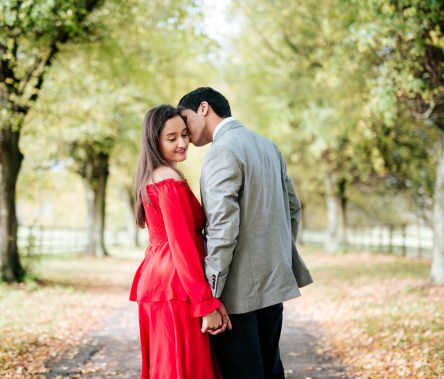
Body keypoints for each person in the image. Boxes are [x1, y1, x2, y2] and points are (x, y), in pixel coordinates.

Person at [177, 87, 313, 378]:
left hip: (236, 292)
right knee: (271, 368)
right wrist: (278, 255)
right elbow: (293, 208)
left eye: (185, 119)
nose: (184, 131)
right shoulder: (268, 146)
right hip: (273, 281)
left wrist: (211, 293)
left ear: (203, 108)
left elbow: (222, 227)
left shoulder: (221, 152)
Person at [131, 104, 230, 378]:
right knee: (181, 369)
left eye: (184, 134)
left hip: (159, 283)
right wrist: (204, 303)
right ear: (155, 141)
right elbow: (182, 246)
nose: (183, 143)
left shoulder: (151, 177)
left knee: (167, 368)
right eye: (171, 138)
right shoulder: (168, 179)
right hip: (174, 287)